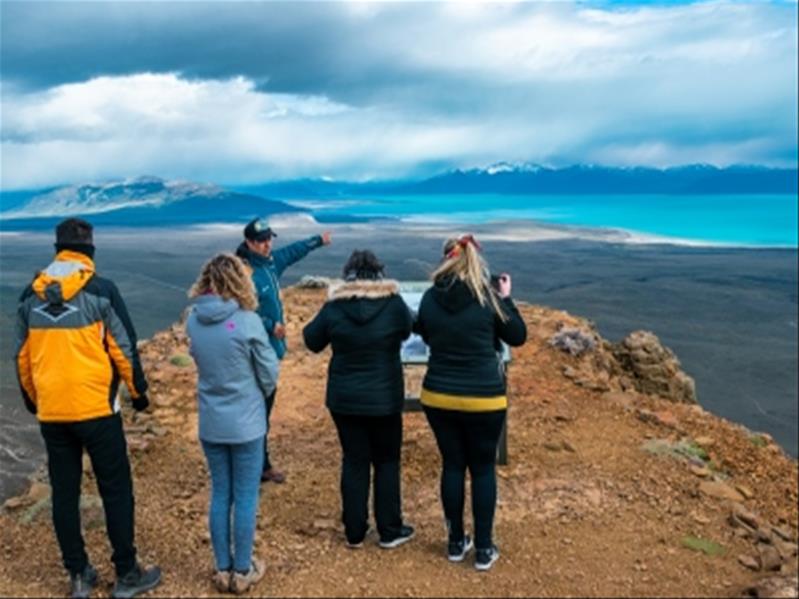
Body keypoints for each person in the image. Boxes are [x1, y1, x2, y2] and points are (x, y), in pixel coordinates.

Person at [14, 218, 161, 598]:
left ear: (58, 250)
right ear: (90, 250)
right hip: (97, 411)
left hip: (53, 414)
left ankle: (78, 574)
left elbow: (22, 358)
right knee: (115, 489)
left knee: (64, 494)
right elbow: (124, 347)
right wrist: (139, 393)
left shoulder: (30, 296)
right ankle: (127, 572)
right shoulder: (101, 291)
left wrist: (35, 401)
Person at [414, 234, 527, 571]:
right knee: (482, 469)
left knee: (452, 465)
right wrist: (507, 298)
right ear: (477, 261)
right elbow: (517, 335)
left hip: (438, 395)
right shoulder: (488, 297)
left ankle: (454, 543)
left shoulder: (430, 297)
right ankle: (484, 549)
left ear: (445, 260)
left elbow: (424, 331)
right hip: (484, 399)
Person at [303, 250, 415, 549]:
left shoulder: (335, 306)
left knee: (354, 460)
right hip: (385, 397)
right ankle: (390, 530)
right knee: (387, 461)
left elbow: (312, 340)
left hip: (344, 398)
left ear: (348, 275)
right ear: (379, 273)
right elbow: (408, 329)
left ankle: (354, 531)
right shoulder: (393, 303)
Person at [186, 253, 279, 594]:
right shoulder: (248, 321)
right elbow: (269, 373)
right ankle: (242, 571)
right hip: (247, 422)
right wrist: (256, 392)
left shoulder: (193, 321)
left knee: (220, 492)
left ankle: (222, 568)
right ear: (239, 280)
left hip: (211, 421)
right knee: (246, 495)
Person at [236, 218, 331, 484]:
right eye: (261, 241)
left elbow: (292, 252)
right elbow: (241, 309)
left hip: (269, 352)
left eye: (269, 239)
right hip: (254, 352)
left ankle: (257, 463)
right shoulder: (243, 272)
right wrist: (270, 325)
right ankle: (255, 466)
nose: (267, 244)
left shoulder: (270, 263)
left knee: (262, 410)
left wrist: (318, 241)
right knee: (257, 411)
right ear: (248, 243)